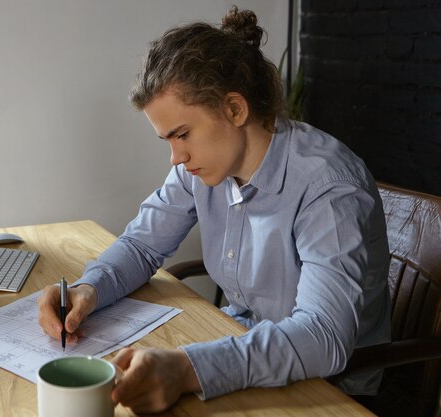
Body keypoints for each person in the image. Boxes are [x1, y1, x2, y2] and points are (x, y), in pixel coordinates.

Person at [37, 5, 391, 414]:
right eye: (167, 140)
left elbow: (324, 336)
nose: (175, 157)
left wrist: (189, 368)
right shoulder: (200, 166)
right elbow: (141, 246)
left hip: (328, 390)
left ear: (235, 109)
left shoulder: (327, 187)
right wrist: (89, 289)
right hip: (245, 348)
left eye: (182, 134)